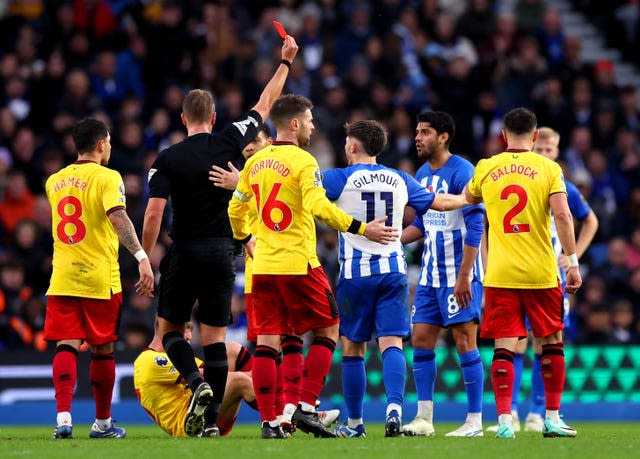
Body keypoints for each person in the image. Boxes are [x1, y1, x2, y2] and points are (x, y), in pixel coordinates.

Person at [141, 36, 299, 438]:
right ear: (213, 118)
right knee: (214, 339)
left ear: (183, 119)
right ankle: (210, 423)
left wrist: (144, 256)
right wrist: (285, 63)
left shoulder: (166, 159)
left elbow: (155, 213)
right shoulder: (229, 139)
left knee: (171, 331)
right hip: (221, 253)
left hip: (185, 251)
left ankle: (197, 386)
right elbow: (264, 106)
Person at [227, 94, 399, 439]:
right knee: (329, 328)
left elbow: (234, 211)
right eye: (308, 120)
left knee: (267, 342)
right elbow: (319, 207)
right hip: (299, 264)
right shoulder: (304, 162)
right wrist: (364, 228)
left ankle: (270, 422)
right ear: (294, 124)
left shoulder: (254, 164)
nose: (312, 126)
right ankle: (306, 406)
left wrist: (246, 240)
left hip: (261, 268)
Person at [321, 120, 470, 438]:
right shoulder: (400, 179)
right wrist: (473, 195)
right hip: (393, 272)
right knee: (391, 343)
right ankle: (394, 410)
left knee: (353, 348)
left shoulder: (338, 178)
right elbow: (442, 203)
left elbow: (305, 197)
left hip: (355, 275)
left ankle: (355, 424)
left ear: (353, 146)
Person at [462, 107, 582, 438]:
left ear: (503, 136)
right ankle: (552, 417)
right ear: (533, 136)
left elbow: (468, 200)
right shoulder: (549, 168)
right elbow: (562, 215)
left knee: (505, 344)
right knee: (552, 340)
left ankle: (503, 421)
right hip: (541, 272)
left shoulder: (487, 167)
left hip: (500, 272)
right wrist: (572, 262)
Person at [44, 118, 154, 439]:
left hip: (63, 276)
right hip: (98, 278)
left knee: (65, 344)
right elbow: (118, 217)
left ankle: (63, 417)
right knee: (102, 350)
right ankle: (103, 423)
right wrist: (142, 256)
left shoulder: (54, 181)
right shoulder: (108, 177)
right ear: (102, 144)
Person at [488, 126, 598, 433]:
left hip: (547, 272)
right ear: (533, 146)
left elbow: (589, 220)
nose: (545, 155)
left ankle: (536, 412)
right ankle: (513, 412)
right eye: (541, 150)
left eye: (550, 151)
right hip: (531, 271)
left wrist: (571, 255)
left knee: (541, 341)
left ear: (557, 152)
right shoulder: (537, 176)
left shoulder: (560, 182)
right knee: (520, 342)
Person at [400, 111, 486, 438]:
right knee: (421, 339)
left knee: (465, 340)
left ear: (443, 137)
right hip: (429, 276)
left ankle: (474, 421)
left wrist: (464, 277)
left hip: (458, 276)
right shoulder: (422, 173)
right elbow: (422, 223)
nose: (417, 137)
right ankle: (424, 418)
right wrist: (392, 237)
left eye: (424, 132)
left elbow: (476, 225)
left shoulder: (464, 172)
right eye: (417, 131)